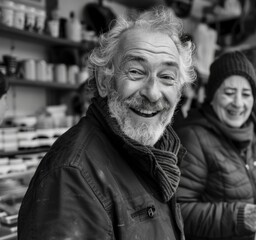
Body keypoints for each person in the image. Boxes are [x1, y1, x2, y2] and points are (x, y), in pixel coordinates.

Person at [18, 7, 196, 240]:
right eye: (136, 71)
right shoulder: (72, 175)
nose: (153, 93)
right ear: (104, 82)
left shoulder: (160, 155)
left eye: (166, 77)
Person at [175, 51, 256, 240]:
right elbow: (179, 211)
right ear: (212, 96)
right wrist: (238, 217)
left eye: (246, 94)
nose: (238, 103)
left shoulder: (250, 134)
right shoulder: (193, 137)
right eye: (229, 93)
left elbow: (249, 190)